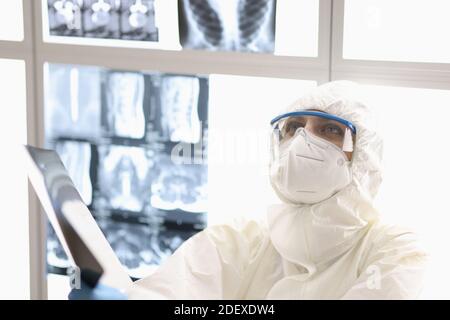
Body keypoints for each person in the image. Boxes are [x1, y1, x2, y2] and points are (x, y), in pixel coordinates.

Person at [71, 80, 427, 300]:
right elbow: (175, 290)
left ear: (364, 154)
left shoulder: (396, 250)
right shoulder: (245, 238)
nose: (304, 140)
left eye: (330, 130)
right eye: (294, 127)